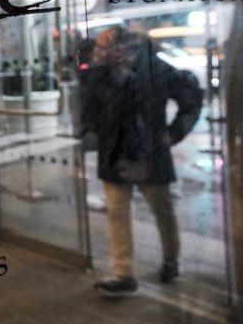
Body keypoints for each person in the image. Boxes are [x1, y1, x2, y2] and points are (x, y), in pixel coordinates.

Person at [82, 27, 203, 297]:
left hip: (149, 154)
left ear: (119, 49)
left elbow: (191, 96)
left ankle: (171, 261)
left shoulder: (154, 68)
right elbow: (88, 112)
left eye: (101, 48)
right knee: (117, 215)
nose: (96, 52)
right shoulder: (100, 72)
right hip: (114, 154)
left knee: (163, 211)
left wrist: (175, 132)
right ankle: (123, 274)